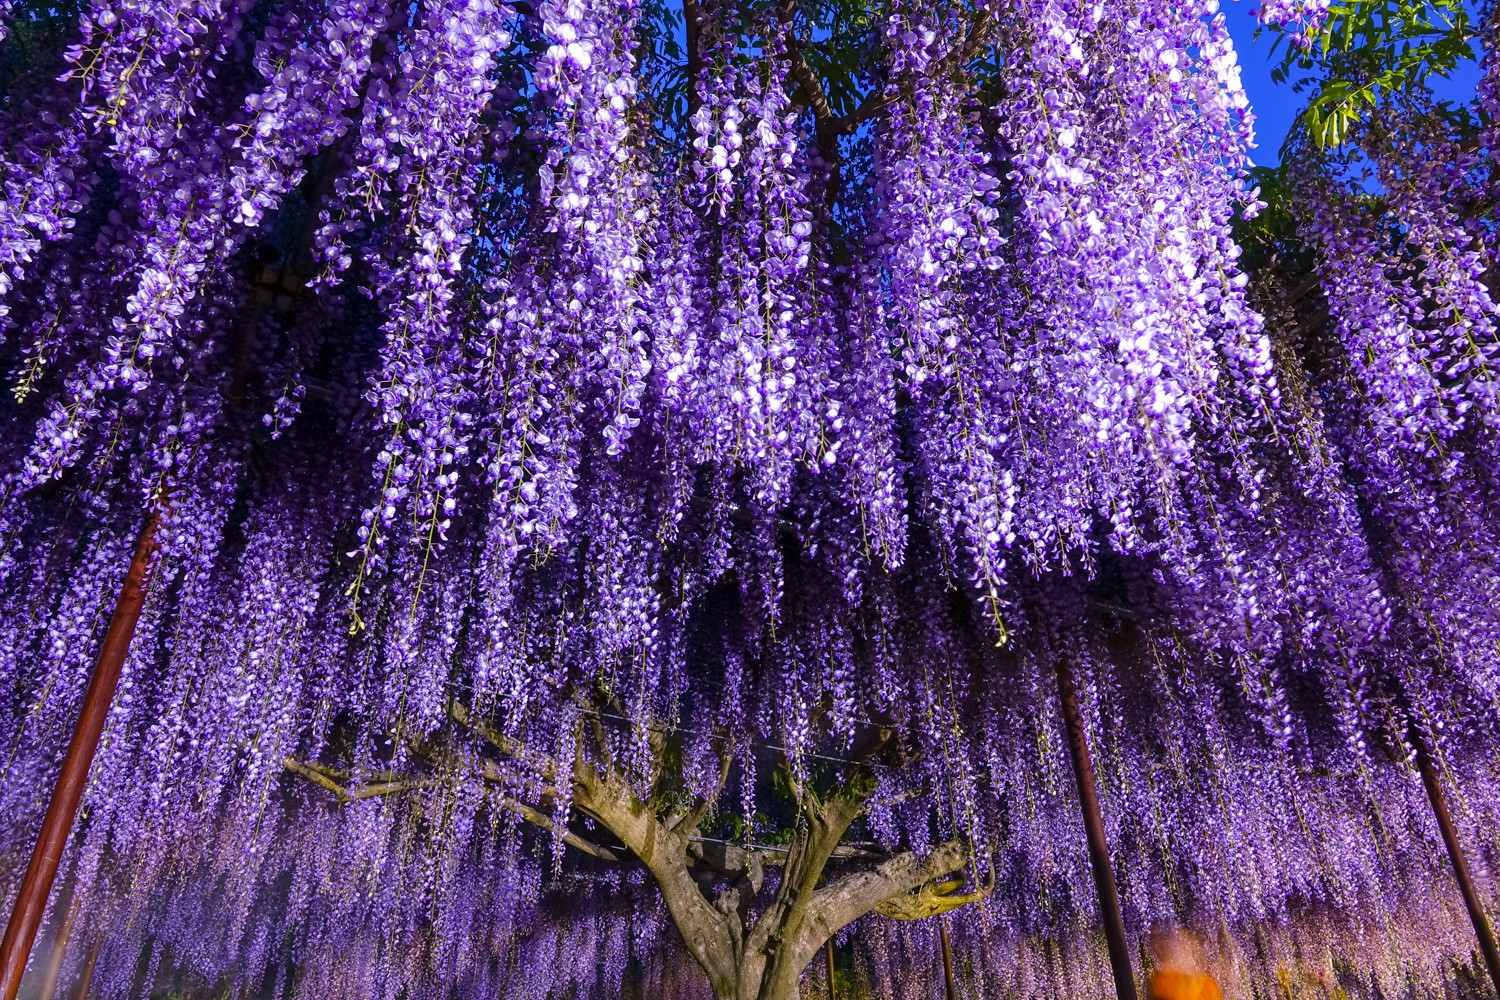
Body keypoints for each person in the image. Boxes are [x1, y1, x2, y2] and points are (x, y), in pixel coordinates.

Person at [1149, 928, 1223, 1000]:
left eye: (1162, 937)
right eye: (1153, 939)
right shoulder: (1161, 981)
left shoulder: (1208, 985)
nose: (1155, 946)